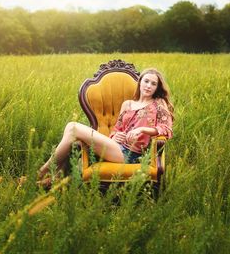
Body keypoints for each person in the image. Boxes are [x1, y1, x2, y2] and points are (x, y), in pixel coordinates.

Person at [38, 68, 174, 182]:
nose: (148, 86)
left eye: (153, 83)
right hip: (116, 147)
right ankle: (56, 176)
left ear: (157, 87)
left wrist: (143, 129)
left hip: (132, 154)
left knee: (73, 127)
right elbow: (117, 129)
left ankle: (43, 172)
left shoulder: (158, 104)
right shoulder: (127, 104)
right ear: (140, 83)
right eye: (146, 81)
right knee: (73, 136)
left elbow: (167, 129)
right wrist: (115, 136)